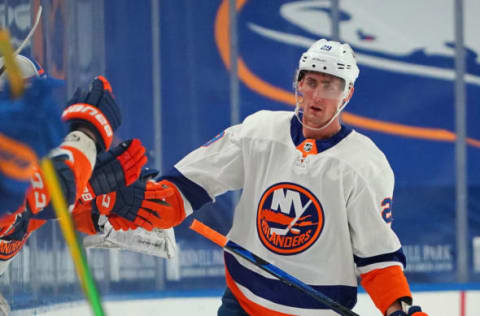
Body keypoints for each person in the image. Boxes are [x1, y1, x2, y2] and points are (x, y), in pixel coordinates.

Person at [104, 39, 428, 315]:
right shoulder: (259, 132)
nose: (316, 96)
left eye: (329, 86)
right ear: (298, 83)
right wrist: (128, 201)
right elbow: (185, 189)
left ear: (347, 95)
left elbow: (377, 256)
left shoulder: (364, 164)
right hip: (242, 303)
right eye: (311, 82)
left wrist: (399, 310)